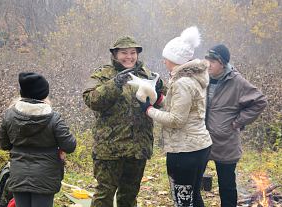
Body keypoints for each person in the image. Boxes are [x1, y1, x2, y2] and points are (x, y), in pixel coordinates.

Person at [83, 36, 164, 207]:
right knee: (104, 194)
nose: (129, 57)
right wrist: (115, 84)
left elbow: (163, 101)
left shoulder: (146, 74)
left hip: (138, 147)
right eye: (124, 53)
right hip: (109, 148)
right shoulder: (103, 74)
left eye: (132, 53)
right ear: (115, 54)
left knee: (129, 195)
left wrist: (159, 88)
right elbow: (92, 100)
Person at [139, 26, 212, 206]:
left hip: (185, 151)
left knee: (182, 200)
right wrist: (160, 99)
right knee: (193, 196)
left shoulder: (182, 83)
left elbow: (176, 120)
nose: (164, 61)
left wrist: (148, 110)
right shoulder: (193, 77)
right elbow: (185, 107)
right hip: (198, 146)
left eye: (166, 58)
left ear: (175, 59)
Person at [0, 72, 77, 207]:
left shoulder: (9, 115)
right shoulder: (54, 118)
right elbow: (70, 145)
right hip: (45, 177)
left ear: (22, 93)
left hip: (19, 175)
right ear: (44, 94)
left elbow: (4, 144)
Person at [204, 44, 267, 207]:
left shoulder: (236, 81)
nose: (208, 64)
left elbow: (260, 101)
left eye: (213, 61)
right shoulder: (203, 78)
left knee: (227, 186)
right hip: (201, 140)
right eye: (207, 60)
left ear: (223, 63)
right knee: (195, 182)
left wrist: (238, 122)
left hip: (226, 142)